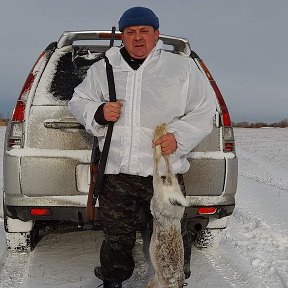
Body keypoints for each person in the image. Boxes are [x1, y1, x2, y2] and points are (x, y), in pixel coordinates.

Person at [68, 6, 216, 288]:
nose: (137, 38)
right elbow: (78, 100)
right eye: (130, 32)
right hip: (117, 172)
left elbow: (205, 108)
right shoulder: (104, 68)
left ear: (156, 34)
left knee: (171, 232)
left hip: (163, 173)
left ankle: (173, 279)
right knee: (116, 236)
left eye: (144, 31)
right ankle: (113, 280)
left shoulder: (181, 68)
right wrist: (98, 112)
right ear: (122, 36)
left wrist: (179, 138)